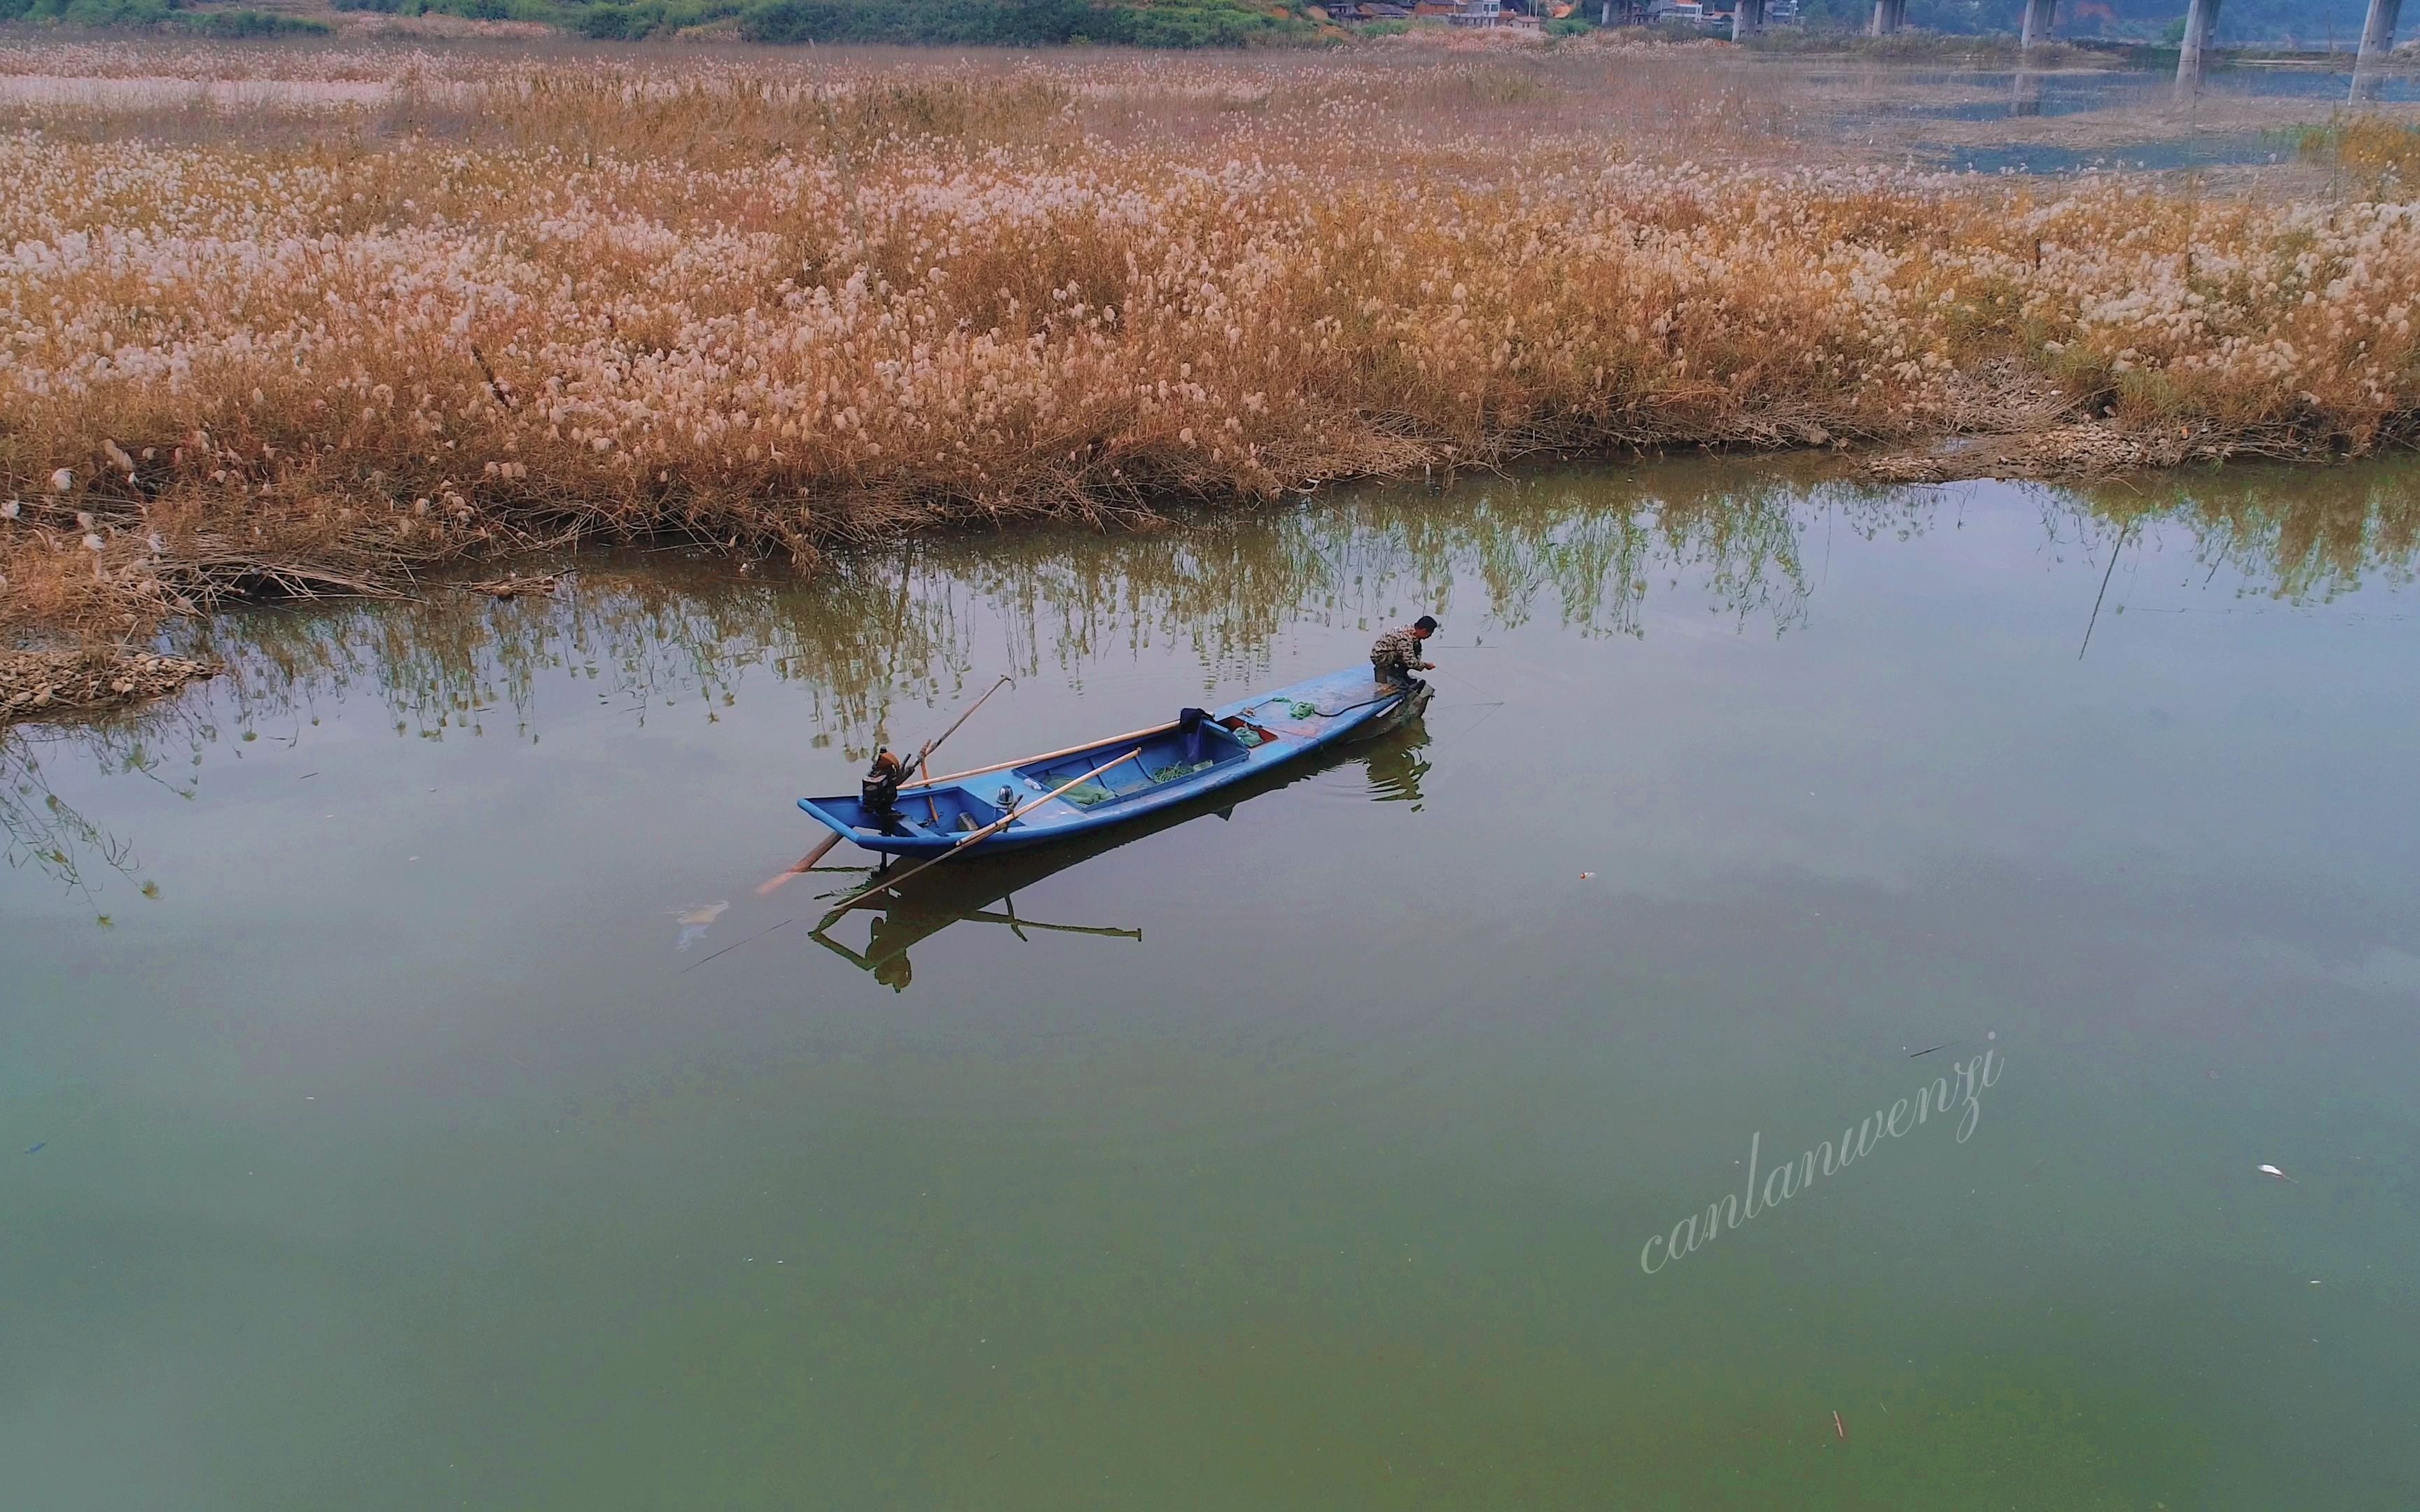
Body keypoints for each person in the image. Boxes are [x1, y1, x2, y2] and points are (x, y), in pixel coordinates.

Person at [1370, 615, 1438, 693]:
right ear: (1423, 630)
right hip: (1380, 657)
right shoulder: (1406, 638)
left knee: (1416, 647)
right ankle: (1394, 678)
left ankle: (1402, 675)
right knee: (1407, 656)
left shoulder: (1412, 629)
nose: (1430, 636)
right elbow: (1410, 662)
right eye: (1430, 633)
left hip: (1389, 652)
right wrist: (1426, 665)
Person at [861, 748, 910, 832]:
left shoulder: (884, 777)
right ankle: (887, 829)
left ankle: (886, 827)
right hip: (883, 803)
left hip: (882, 801)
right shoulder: (881, 780)